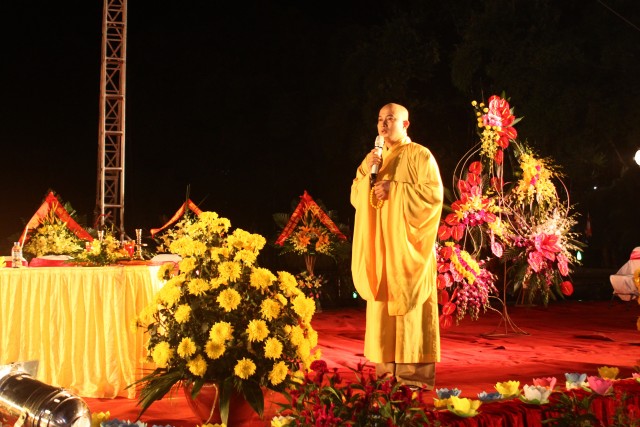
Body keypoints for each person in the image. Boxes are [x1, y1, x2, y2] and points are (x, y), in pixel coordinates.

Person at [350, 102, 444, 390]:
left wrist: (396, 190)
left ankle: (413, 376)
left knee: (412, 309)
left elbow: (433, 196)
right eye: (380, 118)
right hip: (381, 248)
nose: (383, 123)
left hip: (408, 250)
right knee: (383, 307)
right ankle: (385, 376)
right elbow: (355, 196)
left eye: (390, 118)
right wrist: (368, 180)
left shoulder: (420, 155)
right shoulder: (373, 159)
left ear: (405, 124)